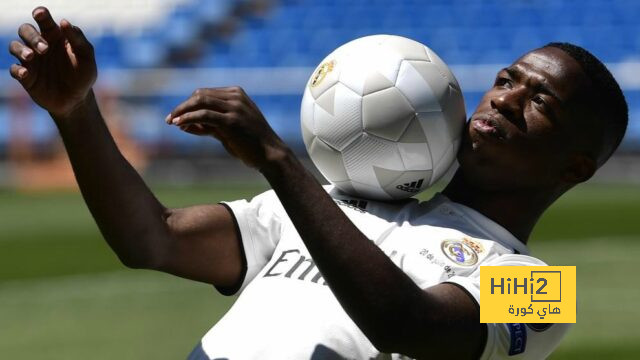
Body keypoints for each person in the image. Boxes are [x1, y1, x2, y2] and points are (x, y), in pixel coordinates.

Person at [9, 7, 627, 360]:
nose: (505, 99)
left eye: (540, 98)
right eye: (506, 78)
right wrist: (75, 112)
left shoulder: (540, 289)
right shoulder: (338, 202)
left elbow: (411, 326)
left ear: (576, 166)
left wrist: (279, 161)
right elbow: (152, 238)